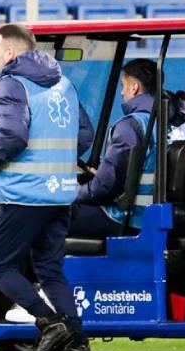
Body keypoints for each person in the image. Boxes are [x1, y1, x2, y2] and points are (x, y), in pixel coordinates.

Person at [0, 24, 95, 351]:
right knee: (51, 273)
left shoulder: (11, 84)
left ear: (11, 53)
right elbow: (84, 134)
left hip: (23, 194)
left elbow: (11, 136)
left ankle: (49, 324)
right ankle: (78, 349)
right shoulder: (64, 84)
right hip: (59, 195)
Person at [68, 59, 159, 240]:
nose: (122, 92)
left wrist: (73, 192)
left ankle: (40, 269)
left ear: (134, 87)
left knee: (46, 217)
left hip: (126, 218)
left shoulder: (131, 126)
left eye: (124, 85)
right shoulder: (172, 124)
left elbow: (104, 188)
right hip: (151, 217)